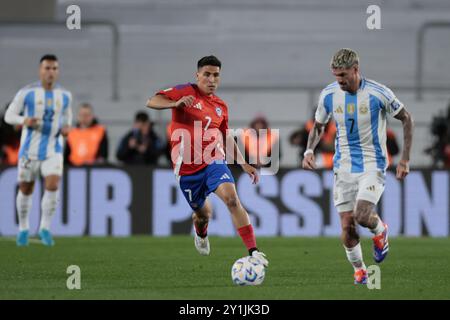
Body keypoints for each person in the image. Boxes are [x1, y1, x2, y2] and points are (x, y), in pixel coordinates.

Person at [302, 48, 413, 284]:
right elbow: (319, 125)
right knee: (347, 226)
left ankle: (380, 231)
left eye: (343, 75)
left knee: (362, 215)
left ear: (355, 70)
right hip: (343, 167)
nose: (339, 80)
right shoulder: (329, 95)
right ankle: (360, 269)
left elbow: (406, 118)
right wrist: (309, 150)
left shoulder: (377, 93)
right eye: (336, 75)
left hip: (373, 164)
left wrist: (404, 159)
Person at [146, 55, 268, 266]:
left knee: (231, 199)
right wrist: (175, 103)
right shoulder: (185, 91)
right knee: (203, 215)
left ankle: (254, 251)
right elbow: (152, 101)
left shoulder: (220, 105)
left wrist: (242, 162)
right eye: (207, 75)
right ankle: (201, 232)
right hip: (187, 169)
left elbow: (226, 136)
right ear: (198, 75)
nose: (211, 79)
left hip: (213, 160)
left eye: (216, 75)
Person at [4, 54, 73, 247]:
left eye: (54, 69)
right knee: (26, 188)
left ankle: (44, 228)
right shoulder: (27, 93)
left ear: (57, 72)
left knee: (52, 184)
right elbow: (9, 116)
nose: (51, 72)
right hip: (29, 150)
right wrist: (23, 120)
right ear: (40, 70)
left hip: (54, 149)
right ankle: (24, 228)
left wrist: (67, 128)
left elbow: (67, 119)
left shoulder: (65, 96)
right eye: (47, 68)